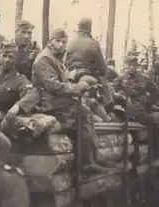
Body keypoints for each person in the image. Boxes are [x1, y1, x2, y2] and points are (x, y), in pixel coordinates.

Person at [32, 28, 115, 174]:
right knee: (83, 114)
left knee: (88, 108)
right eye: (57, 41)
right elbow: (53, 86)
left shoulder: (55, 57)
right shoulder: (45, 58)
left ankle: (93, 158)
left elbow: (61, 79)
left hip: (57, 98)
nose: (61, 45)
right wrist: (76, 88)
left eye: (64, 42)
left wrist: (73, 76)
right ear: (50, 41)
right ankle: (87, 163)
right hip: (48, 101)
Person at [115, 55, 159, 159]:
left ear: (137, 66)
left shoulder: (145, 78)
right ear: (126, 66)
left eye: (134, 65)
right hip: (125, 110)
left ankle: (156, 153)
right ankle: (138, 155)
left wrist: (146, 102)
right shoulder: (121, 78)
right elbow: (112, 89)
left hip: (140, 110)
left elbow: (155, 92)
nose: (131, 68)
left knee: (154, 124)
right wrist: (118, 96)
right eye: (129, 65)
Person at [65, 17, 115, 116]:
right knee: (102, 78)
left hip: (70, 75)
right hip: (86, 75)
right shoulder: (93, 43)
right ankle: (109, 107)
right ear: (90, 28)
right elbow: (102, 68)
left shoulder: (69, 43)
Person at [0, 41, 40, 123]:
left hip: (5, 119)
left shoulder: (19, 79)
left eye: (11, 57)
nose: (7, 60)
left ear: (15, 60)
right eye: (4, 56)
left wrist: (17, 107)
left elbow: (33, 94)